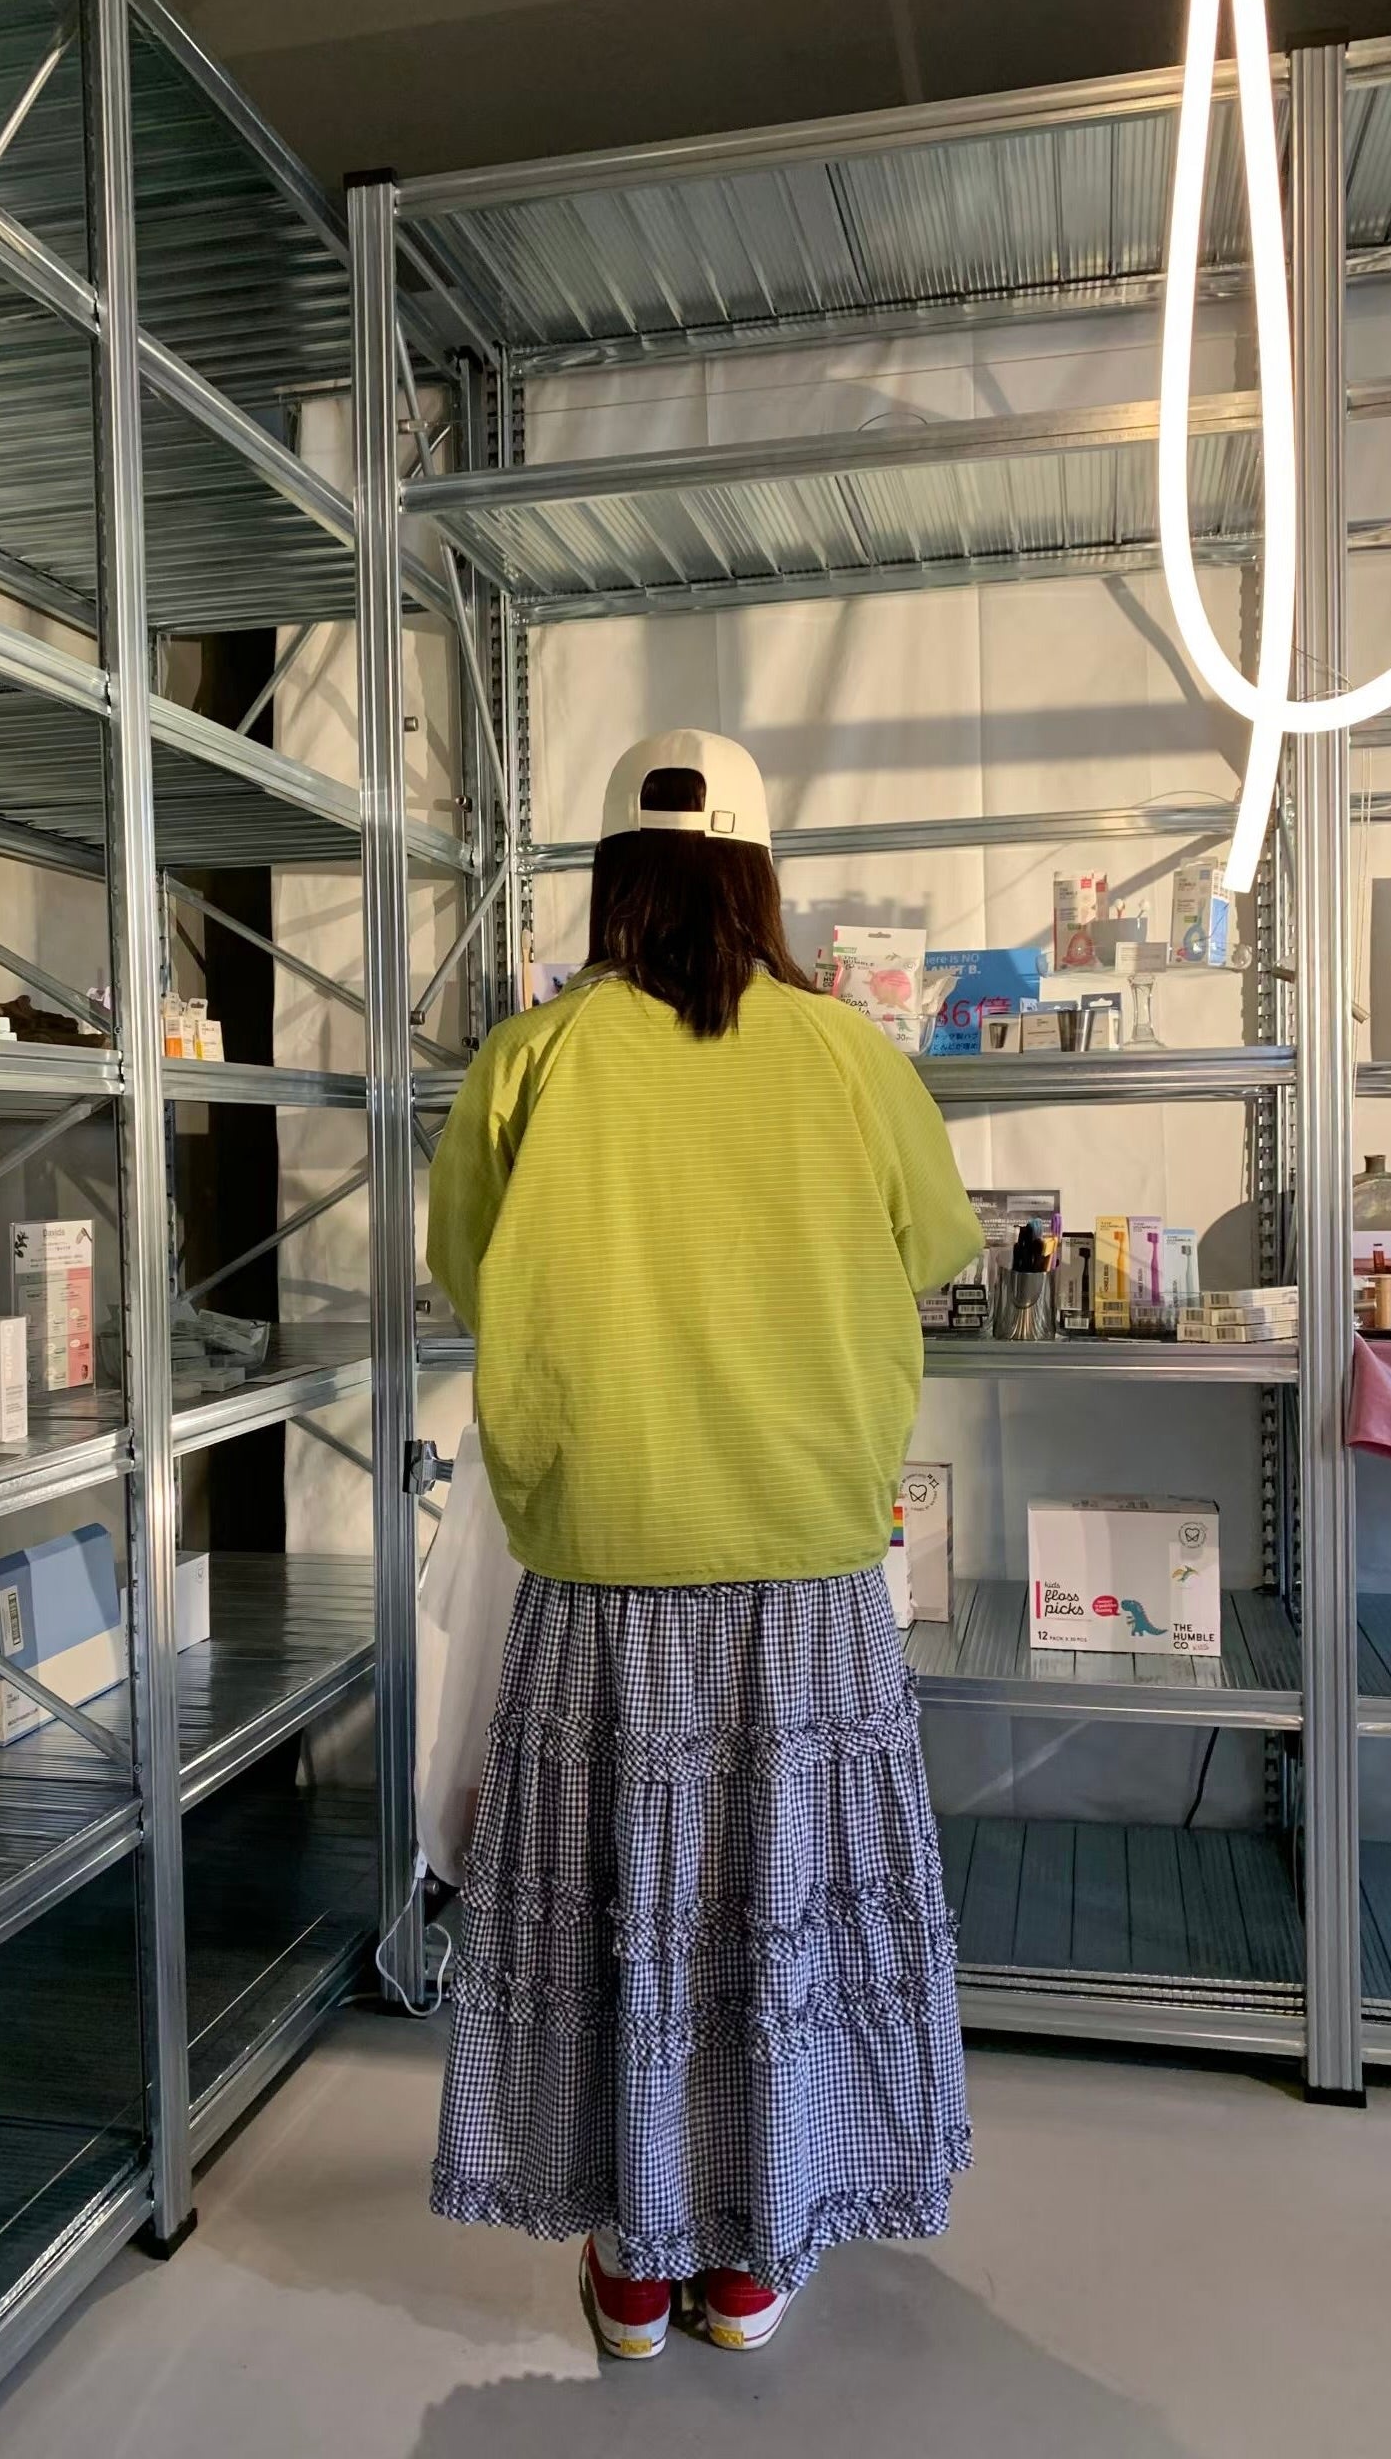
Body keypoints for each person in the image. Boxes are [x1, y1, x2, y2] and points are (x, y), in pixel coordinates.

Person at [426, 729, 984, 2360]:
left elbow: (469, 1270)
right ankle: (747, 2266)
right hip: (805, 1558)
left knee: (614, 1912)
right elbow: (931, 1252)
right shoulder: (849, 1054)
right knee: (781, 1905)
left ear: (614, 874)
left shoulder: (531, 1057)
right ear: (758, 875)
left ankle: (627, 2265)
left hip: (602, 1558)